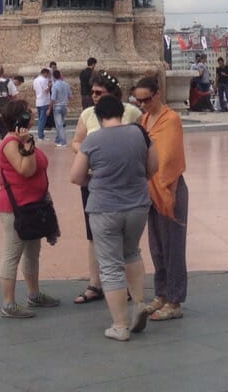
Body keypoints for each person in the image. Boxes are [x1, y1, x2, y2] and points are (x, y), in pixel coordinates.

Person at [71, 93, 157, 340]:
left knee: (109, 266)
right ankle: (139, 302)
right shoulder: (140, 134)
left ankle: (120, 325)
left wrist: (96, 178)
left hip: (104, 208)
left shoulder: (93, 140)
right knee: (132, 252)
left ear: (98, 116)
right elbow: (153, 167)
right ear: (122, 112)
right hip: (138, 205)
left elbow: (76, 177)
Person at [71, 71, 142, 305]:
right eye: (92, 92)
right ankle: (95, 283)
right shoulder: (87, 114)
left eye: (99, 93)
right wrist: (86, 154)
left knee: (125, 237)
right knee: (93, 235)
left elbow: (143, 140)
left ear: (112, 94)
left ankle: (127, 286)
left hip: (123, 180)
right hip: (94, 179)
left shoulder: (131, 113)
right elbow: (77, 141)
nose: (94, 96)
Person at [0, 98, 61, 318]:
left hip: (34, 204)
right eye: (29, 113)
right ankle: (8, 303)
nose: (33, 115)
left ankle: (34, 293)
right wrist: (28, 147)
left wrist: (28, 143)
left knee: (33, 252)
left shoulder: (22, 139)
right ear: (20, 117)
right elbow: (26, 169)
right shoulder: (11, 142)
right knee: (13, 253)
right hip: (15, 207)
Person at [131, 75, 188, 322]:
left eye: (146, 99)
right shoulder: (144, 119)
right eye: (138, 100)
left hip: (169, 187)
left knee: (173, 246)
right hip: (150, 187)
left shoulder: (171, 119)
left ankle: (175, 300)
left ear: (157, 94)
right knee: (156, 245)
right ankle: (161, 293)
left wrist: (163, 187)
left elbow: (169, 158)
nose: (142, 104)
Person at [50, 69, 73, 147]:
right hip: (64, 106)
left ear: (54, 77)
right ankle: (58, 139)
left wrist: (50, 108)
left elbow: (53, 98)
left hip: (57, 106)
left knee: (59, 125)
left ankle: (63, 141)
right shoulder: (67, 84)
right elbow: (70, 96)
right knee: (60, 123)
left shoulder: (54, 85)